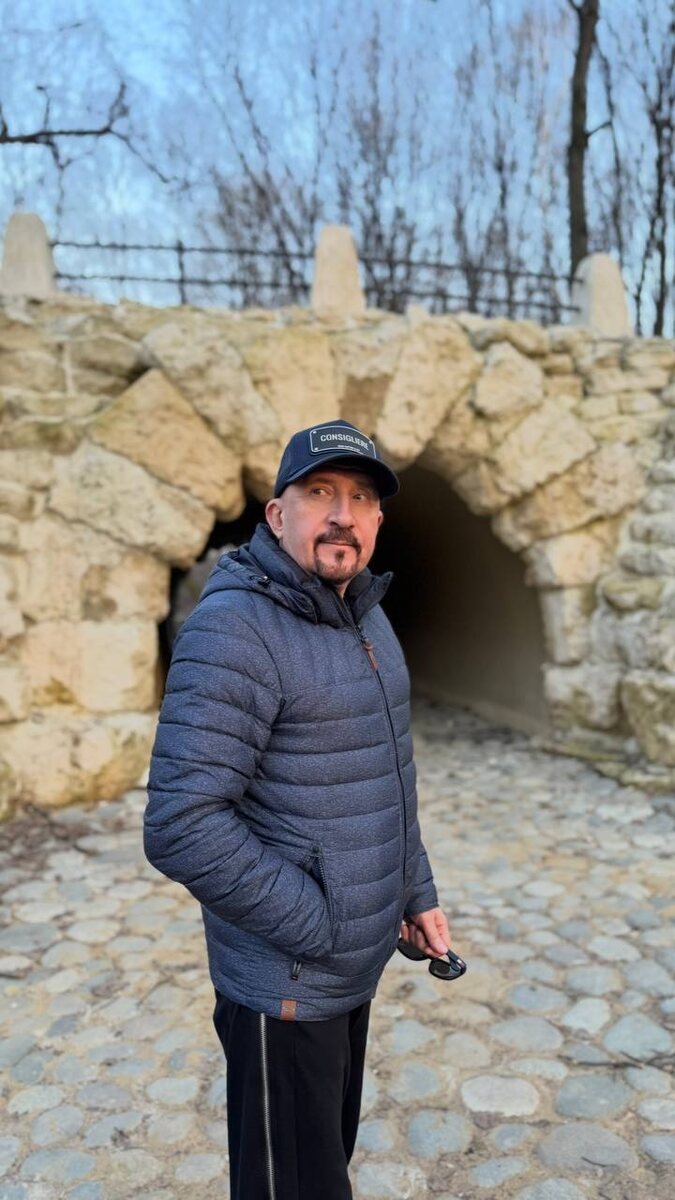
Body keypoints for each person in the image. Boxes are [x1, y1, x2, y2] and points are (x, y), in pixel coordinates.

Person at [143, 418, 451, 1200]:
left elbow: (384, 775)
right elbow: (181, 825)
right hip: (285, 983)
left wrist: (412, 892)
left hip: (347, 971)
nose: (343, 515)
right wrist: (328, 926)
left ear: (379, 520)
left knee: (322, 1166)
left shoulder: (364, 614)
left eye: (361, 498)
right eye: (319, 492)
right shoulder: (235, 628)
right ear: (277, 514)